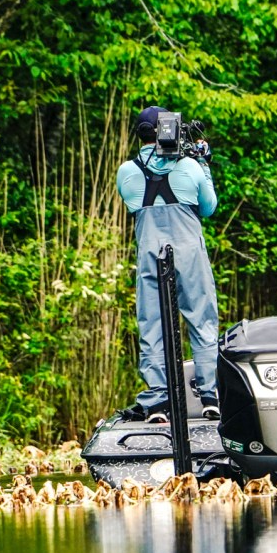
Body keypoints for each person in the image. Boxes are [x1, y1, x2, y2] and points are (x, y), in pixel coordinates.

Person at [116, 106, 220, 423]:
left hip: (150, 251)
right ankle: (210, 395)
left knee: (152, 324)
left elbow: (133, 201)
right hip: (189, 252)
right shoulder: (189, 166)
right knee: (201, 320)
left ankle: (158, 398)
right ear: (169, 130)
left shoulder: (126, 171)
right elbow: (209, 208)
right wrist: (203, 163)